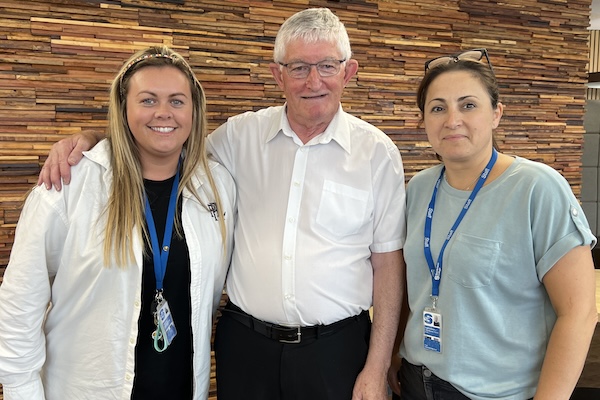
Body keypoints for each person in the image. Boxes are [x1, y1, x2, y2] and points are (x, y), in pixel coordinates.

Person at [37, 7, 406, 400]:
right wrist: (96, 139)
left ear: (348, 71)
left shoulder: (377, 154)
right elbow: (165, 142)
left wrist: (378, 365)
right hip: (247, 347)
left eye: (327, 66)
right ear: (277, 74)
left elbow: (387, 264)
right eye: (298, 68)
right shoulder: (239, 137)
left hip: (337, 350)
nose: (313, 81)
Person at [0, 45, 236, 399]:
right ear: (124, 107)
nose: (163, 113)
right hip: (87, 388)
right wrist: (21, 390)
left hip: (182, 388)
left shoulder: (216, 186)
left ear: (194, 110)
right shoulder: (72, 184)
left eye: (176, 100)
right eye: (147, 100)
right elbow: (20, 303)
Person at [387, 48, 598, 399]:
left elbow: (579, 313)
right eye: (437, 108)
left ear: (496, 114)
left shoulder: (537, 188)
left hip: (495, 393)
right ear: (423, 120)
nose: (452, 119)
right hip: (414, 381)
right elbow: (413, 287)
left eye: (468, 105)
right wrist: (391, 355)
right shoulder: (420, 187)